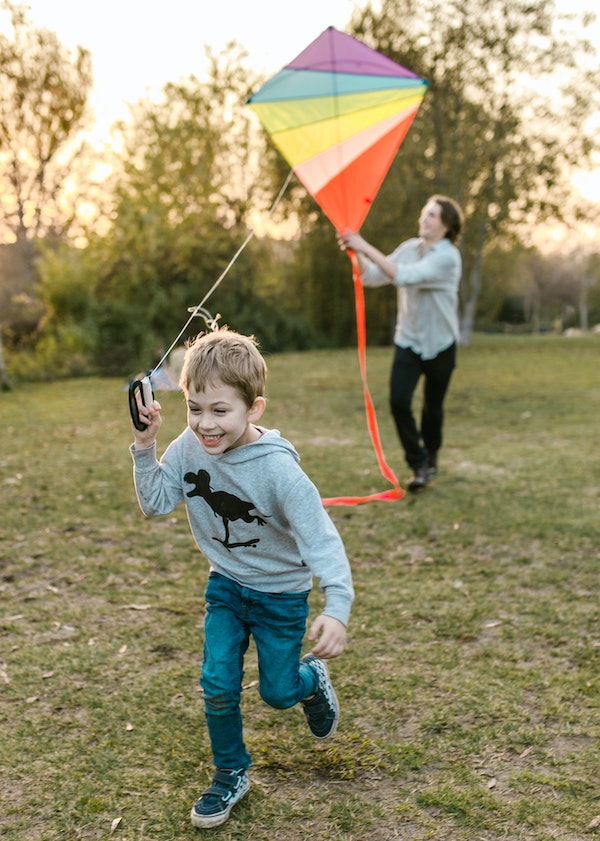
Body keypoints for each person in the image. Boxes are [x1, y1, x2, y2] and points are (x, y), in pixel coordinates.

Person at [129, 327, 354, 829]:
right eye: (194, 408)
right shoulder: (189, 446)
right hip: (227, 587)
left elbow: (322, 540)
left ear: (254, 408)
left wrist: (337, 607)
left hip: (281, 596)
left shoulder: (280, 472)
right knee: (217, 683)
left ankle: (310, 681)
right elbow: (156, 503)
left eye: (219, 410)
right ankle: (230, 771)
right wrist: (146, 446)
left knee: (278, 693)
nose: (205, 424)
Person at [337, 195, 464, 491]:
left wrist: (362, 244)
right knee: (398, 401)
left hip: (441, 343)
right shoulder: (409, 248)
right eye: (424, 212)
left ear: (446, 225)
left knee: (433, 408)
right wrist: (355, 253)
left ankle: (431, 455)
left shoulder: (448, 257)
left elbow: (404, 277)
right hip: (408, 339)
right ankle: (418, 464)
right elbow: (372, 277)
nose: (424, 219)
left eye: (432, 215)